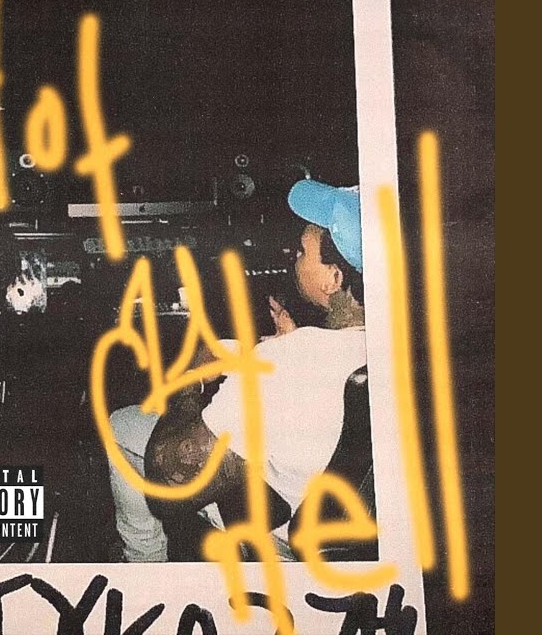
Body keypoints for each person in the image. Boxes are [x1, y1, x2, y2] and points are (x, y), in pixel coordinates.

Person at [107, 179, 368, 562]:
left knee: (120, 426)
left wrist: (193, 378)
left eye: (302, 251)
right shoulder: (385, 343)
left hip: (279, 529)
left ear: (334, 279)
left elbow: (171, 480)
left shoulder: (292, 359)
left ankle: (144, 564)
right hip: (342, 521)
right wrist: (286, 347)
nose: (295, 259)